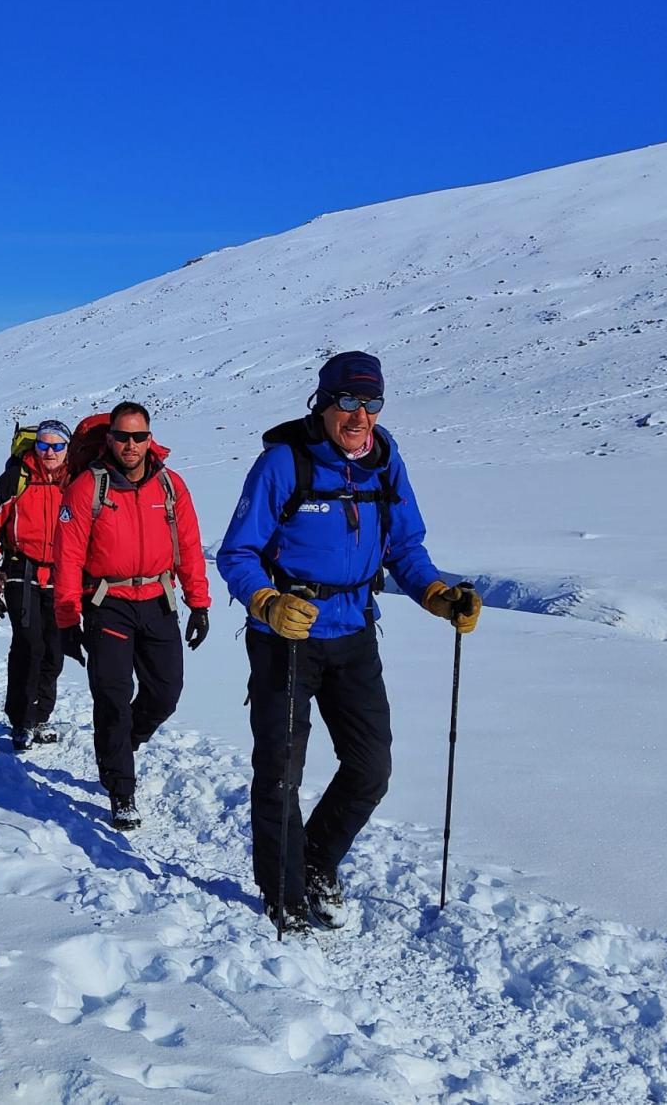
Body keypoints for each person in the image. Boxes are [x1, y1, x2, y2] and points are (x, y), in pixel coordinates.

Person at [216, 351, 482, 936]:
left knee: (371, 767)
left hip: (355, 632)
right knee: (282, 768)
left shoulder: (386, 466)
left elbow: (405, 548)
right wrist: (266, 602)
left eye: (372, 403)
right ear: (324, 402)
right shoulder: (284, 465)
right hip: (287, 637)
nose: (360, 415)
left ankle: (314, 862)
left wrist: (437, 594)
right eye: (348, 402)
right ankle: (282, 893)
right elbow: (236, 553)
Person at [53, 402, 211, 830]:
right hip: (108, 603)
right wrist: (68, 618)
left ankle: (122, 744)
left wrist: (199, 602)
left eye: (139, 436)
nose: (131, 444)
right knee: (112, 696)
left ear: (149, 438)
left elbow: (190, 547)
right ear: (109, 439)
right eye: (123, 436)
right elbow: (67, 557)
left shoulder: (170, 487)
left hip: (159, 599)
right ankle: (121, 788)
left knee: (166, 691)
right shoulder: (88, 488)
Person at [0, 419, 73, 751]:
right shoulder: (17, 478)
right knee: (30, 645)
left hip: (61, 577)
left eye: (57, 445)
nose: (49, 452)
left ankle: (41, 714)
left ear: (67, 449)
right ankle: (21, 719)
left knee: (54, 652)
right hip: (21, 571)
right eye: (43, 445)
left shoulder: (76, 482)